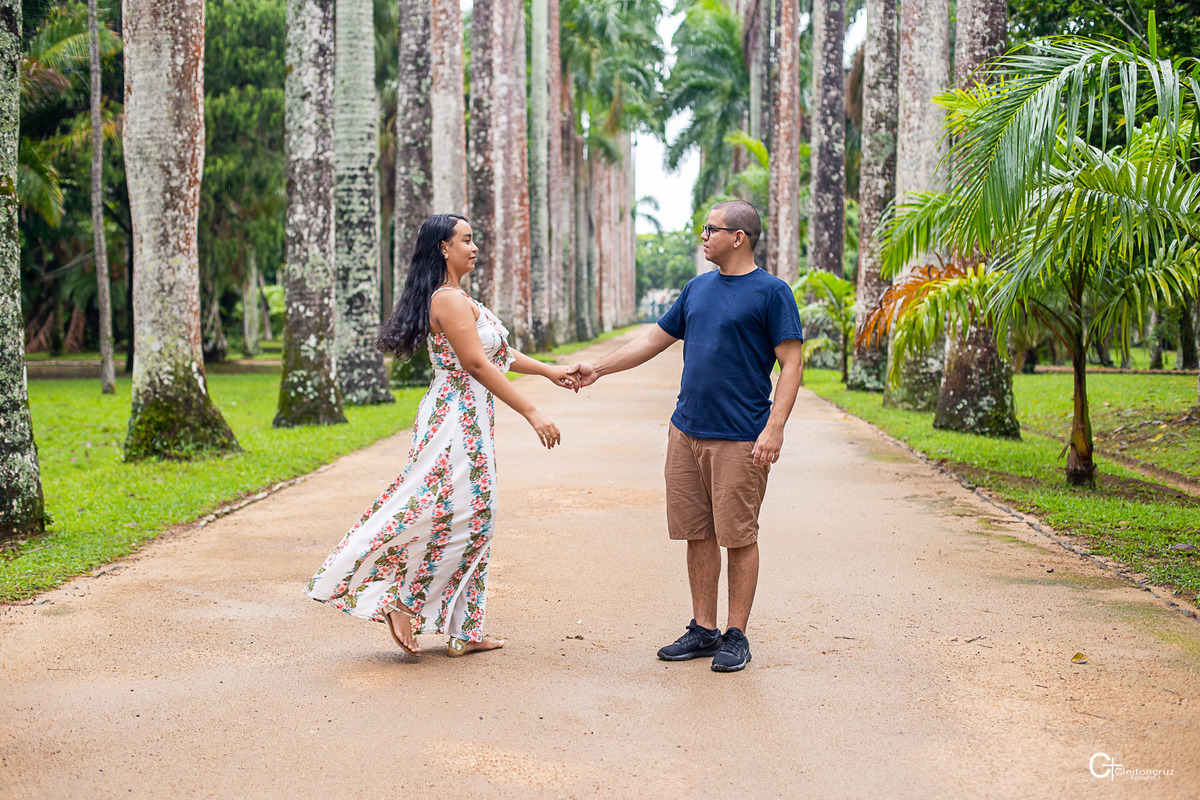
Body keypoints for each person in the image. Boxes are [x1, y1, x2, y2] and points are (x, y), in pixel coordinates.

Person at [306, 213, 579, 658]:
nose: (474, 247)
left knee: (469, 514)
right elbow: (475, 364)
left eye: (475, 240)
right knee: (464, 513)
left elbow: (500, 354)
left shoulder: (459, 298)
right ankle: (403, 601)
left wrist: (550, 371)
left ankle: (464, 631)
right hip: (454, 420)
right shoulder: (448, 301)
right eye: (466, 240)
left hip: (470, 416)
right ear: (443, 248)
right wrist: (533, 413)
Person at [573, 200, 804, 673]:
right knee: (696, 533)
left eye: (710, 229)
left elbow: (792, 362)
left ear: (738, 237)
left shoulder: (771, 293)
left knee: (737, 536)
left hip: (740, 436)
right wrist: (597, 368)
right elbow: (651, 341)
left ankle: (736, 635)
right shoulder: (696, 288)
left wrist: (774, 427)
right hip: (687, 432)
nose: (703, 236)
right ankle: (703, 629)